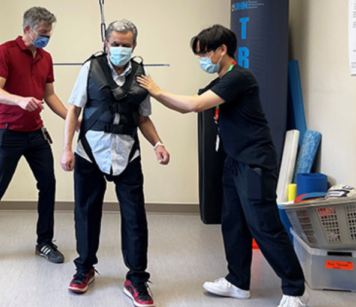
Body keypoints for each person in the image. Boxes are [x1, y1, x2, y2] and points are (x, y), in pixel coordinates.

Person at [137, 24, 308, 307]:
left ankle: (295, 290)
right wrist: (154, 94)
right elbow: (185, 106)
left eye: (204, 53)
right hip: (234, 159)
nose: (202, 59)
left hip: (255, 162)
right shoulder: (220, 80)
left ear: (222, 50)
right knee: (233, 223)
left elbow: (194, 105)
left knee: (264, 226)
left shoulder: (239, 77)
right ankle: (238, 282)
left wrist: (156, 90)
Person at [61, 19, 169, 307]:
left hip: (127, 153)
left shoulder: (141, 75)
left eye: (126, 45)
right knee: (85, 213)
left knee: (135, 218)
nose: (121, 49)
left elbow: (144, 118)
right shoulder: (90, 68)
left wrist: (157, 144)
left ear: (134, 46)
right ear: (106, 43)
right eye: (116, 44)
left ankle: (136, 279)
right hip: (89, 153)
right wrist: (66, 149)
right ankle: (84, 268)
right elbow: (73, 110)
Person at [0, 6, 67, 270]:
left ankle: (44, 242)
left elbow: (50, 95)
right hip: (7, 132)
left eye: (49, 33)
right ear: (28, 29)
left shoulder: (45, 57)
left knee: (48, 184)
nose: (47, 37)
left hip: (35, 134)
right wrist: (20, 100)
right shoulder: (5, 51)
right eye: (43, 32)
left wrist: (72, 119)